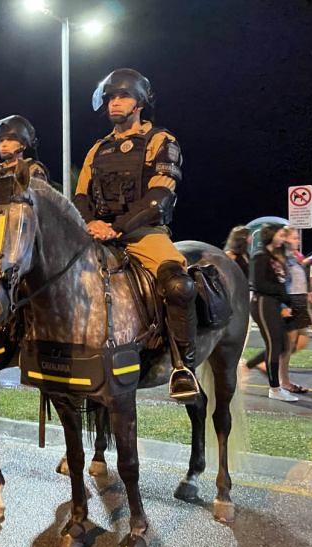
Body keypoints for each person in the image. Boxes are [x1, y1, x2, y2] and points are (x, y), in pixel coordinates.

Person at [72, 68, 197, 400]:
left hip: (143, 233)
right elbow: (80, 196)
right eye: (112, 97)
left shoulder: (160, 141)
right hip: (96, 233)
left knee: (178, 283)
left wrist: (118, 227)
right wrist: (91, 224)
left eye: (123, 96)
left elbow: (159, 197)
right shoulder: (97, 149)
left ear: (140, 102)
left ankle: (184, 366)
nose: (115, 103)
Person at [249, 224, 299, 401]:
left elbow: (279, 282)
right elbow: (259, 284)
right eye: (279, 235)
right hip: (263, 303)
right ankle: (275, 389)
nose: (282, 238)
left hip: (274, 302)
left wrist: (287, 301)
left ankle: (262, 368)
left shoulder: (273, 256)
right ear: (270, 235)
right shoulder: (260, 256)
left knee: (284, 345)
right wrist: (282, 296)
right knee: (274, 344)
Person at [0, 115, 50, 182]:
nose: (3, 145)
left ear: (23, 145)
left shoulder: (33, 170)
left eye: (10, 139)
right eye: (1, 140)